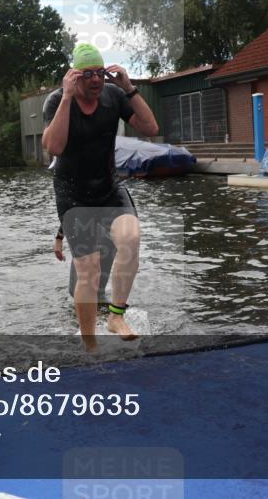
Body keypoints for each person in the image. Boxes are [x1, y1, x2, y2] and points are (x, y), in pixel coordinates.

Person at [41, 43, 159, 350]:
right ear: (75, 77)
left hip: (108, 188)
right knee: (89, 271)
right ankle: (89, 341)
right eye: (89, 75)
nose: (96, 80)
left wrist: (129, 88)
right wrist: (67, 97)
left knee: (131, 238)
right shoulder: (57, 101)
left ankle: (116, 315)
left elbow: (151, 128)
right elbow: (53, 147)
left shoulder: (114, 96)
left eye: (100, 73)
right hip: (74, 195)